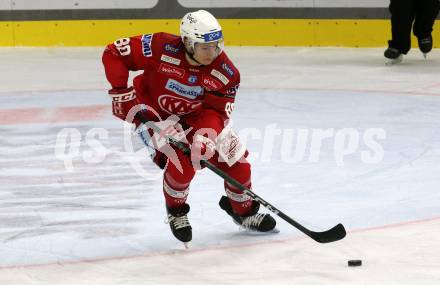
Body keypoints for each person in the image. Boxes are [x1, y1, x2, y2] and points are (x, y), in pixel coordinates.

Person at [102, 10, 276, 245]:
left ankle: (243, 212)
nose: (212, 53)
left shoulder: (226, 73)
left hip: (198, 117)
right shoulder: (160, 46)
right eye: (205, 47)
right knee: (182, 166)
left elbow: (215, 111)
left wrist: (206, 137)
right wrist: (120, 91)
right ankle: (176, 211)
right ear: (187, 42)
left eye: (216, 46)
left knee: (238, 165)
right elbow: (114, 52)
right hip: (155, 115)